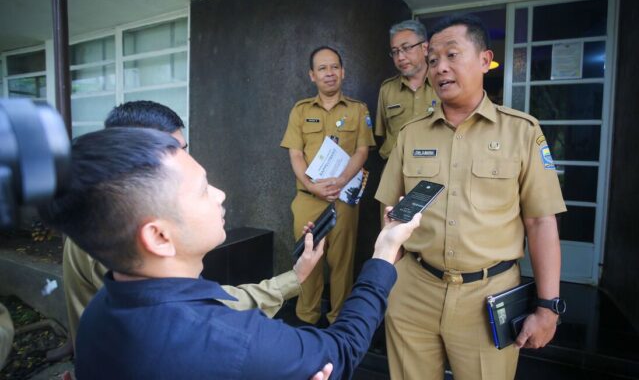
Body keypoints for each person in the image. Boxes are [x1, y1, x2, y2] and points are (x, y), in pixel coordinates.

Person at [40, 127, 420, 379]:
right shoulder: (233, 341)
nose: (220, 194)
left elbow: (230, 303)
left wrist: (298, 274)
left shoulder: (99, 314)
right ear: (158, 236)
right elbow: (341, 350)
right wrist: (384, 252)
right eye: (204, 190)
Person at [375, 14, 567, 380]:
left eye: (451, 55)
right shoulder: (411, 135)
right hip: (413, 289)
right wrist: (380, 285)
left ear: (484, 60)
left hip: (488, 296)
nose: (439, 68)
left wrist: (547, 307)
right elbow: (390, 217)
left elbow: (541, 221)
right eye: (432, 60)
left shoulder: (521, 132)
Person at [62, 101, 311, 347]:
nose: (219, 195)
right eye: (171, 151)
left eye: (184, 149)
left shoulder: (125, 214)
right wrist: (291, 281)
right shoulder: (117, 230)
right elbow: (199, 313)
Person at [281, 46, 375, 325]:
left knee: (341, 263)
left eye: (334, 67)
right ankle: (306, 317)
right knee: (307, 259)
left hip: (343, 198)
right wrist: (312, 187)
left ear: (343, 71)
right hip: (308, 199)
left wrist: (342, 180)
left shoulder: (358, 110)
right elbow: (295, 154)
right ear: (312, 75)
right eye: (322, 68)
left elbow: (362, 150)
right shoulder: (300, 111)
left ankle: (339, 319)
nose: (329, 73)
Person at [375, 19, 438, 160]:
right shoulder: (387, 89)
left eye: (407, 48)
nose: (400, 57)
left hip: (434, 171)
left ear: (425, 48)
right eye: (395, 52)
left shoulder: (443, 84)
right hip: (394, 170)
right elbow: (382, 135)